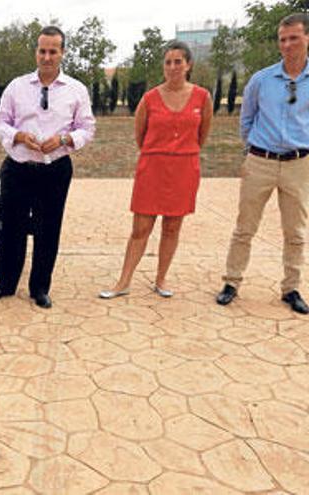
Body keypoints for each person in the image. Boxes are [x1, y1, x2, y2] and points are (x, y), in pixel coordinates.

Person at [0, 25, 96, 308]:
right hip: (18, 169)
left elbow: (87, 128)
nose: (47, 57)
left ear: (62, 53)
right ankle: (6, 284)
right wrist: (18, 136)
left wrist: (65, 139)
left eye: (53, 51)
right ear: (36, 52)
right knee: (12, 228)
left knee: (48, 230)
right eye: (42, 51)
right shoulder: (17, 87)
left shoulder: (76, 90)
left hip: (55, 171)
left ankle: (40, 288)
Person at [99, 41, 213, 300]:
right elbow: (140, 135)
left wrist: (182, 152)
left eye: (178, 62)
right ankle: (123, 281)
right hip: (152, 168)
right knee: (140, 228)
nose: (172, 67)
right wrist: (158, 152)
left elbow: (202, 135)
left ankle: (161, 279)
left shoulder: (202, 97)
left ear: (188, 65)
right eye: (168, 62)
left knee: (172, 228)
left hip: (185, 168)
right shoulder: (150, 98)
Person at [216, 13, 309, 314]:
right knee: (245, 227)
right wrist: (250, 153)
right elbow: (247, 119)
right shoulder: (261, 79)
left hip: (299, 164)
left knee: (295, 231)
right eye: (282, 39)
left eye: (293, 38)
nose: (287, 44)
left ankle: (291, 288)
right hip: (261, 161)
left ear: (307, 38)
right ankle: (231, 282)